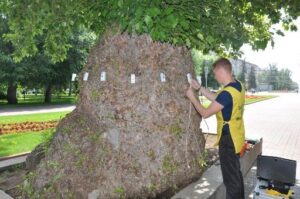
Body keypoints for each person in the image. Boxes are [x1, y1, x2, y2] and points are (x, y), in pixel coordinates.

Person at [186, 57, 245, 199]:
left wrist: (192, 97)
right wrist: (199, 88)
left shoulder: (226, 93)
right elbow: (217, 99)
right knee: (235, 174)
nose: (215, 76)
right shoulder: (237, 86)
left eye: (215, 73)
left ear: (221, 71)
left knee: (231, 180)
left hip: (228, 139)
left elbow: (205, 113)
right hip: (236, 135)